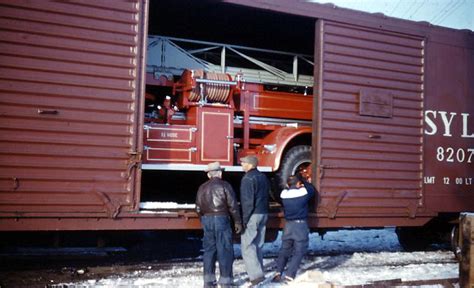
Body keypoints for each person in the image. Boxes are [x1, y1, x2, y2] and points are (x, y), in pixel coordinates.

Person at [195, 162, 243, 288]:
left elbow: (198, 208)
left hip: (207, 220)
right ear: (220, 173)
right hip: (222, 219)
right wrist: (237, 221)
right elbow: (233, 206)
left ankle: (208, 281)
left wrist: (204, 220)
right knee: (224, 250)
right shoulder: (225, 185)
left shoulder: (202, 187)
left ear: (209, 175)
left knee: (209, 251)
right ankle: (226, 282)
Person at [272, 175, 315, 283]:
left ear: (287, 184)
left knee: (284, 250)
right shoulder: (303, 193)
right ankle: (289, 275)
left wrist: (292, 185)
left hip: (288, 226)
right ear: (298, 184)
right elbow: (311, 189)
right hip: (300, 226)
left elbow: (287, 188)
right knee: (298, 251)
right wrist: (304, 181)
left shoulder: (284, 195)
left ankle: (278, 272)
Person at [239, 155, 270, 286]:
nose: (241, 165)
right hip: (263, 213)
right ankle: (259, 272)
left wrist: (244, 220)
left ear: (250, 165)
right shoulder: (263, 177)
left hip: (253, 215)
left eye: (243, 163)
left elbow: (247, 202)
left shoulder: (247, 178)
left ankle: (256, 277)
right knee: (258, 245)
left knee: (247, 246)